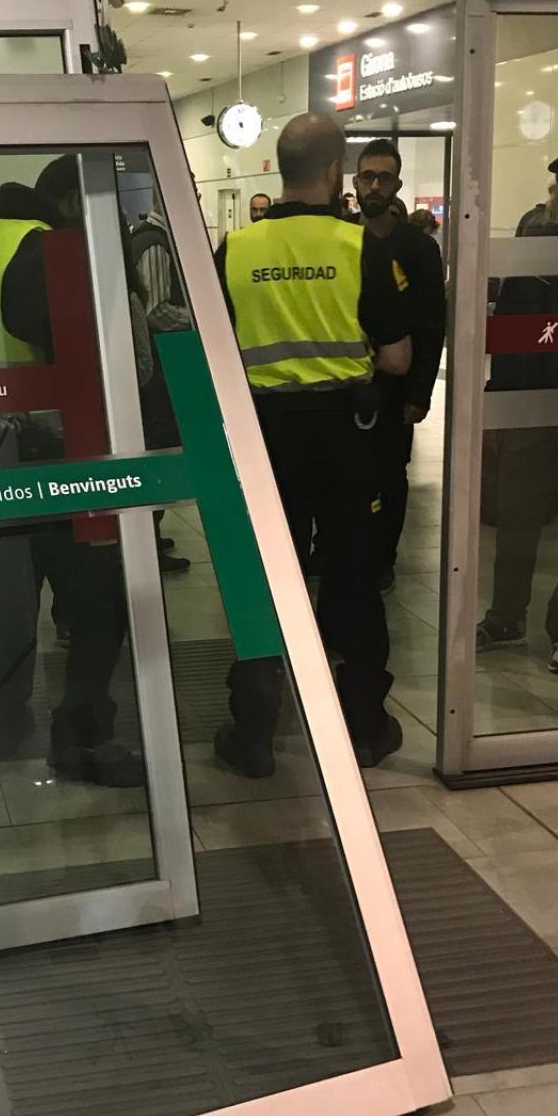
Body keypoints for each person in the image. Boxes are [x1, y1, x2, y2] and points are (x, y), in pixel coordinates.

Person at [214, 112, 411, 775]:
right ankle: (364, 727)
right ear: (334, 171)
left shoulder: (236, 249)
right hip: (348, 436)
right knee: (353, 575)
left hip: (263, 438)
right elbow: (397, 358)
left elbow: (213, 347)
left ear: (279, 167)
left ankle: (254, 733)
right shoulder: (363, 249)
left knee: (268, 579)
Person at [0, 155, 141, 786]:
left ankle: (2, 719)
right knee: (96, 596)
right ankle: (83, 740)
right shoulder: (46, 250)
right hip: (46, 439)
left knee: (7, 592)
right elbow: (76, 350)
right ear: (70, 203)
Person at [477, 145, 558, 675]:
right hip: (530, 409)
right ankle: (505, 618)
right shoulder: (534, 245)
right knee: (515, 524)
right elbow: (508, 331)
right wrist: (497, 405)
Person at [354, 140, 446, 592]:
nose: (375, 185)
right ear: (355, 182)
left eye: (384, 177)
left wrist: (420, 392)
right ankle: (339, 550)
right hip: (347, 382)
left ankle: (381, 557)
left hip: (396, 385)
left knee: (390, 473)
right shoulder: (340, 239)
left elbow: (432, 324)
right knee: (347, 472)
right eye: (368, 176)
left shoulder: (418, 248)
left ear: (397, 184)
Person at [127, 206, 191, 573]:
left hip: (155, 366)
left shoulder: (150, 238)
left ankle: (152, 534)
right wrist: (197, 317)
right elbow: (156, 311)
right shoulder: (155, 243)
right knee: (159, 451)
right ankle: (148, 541)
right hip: (157, 368)